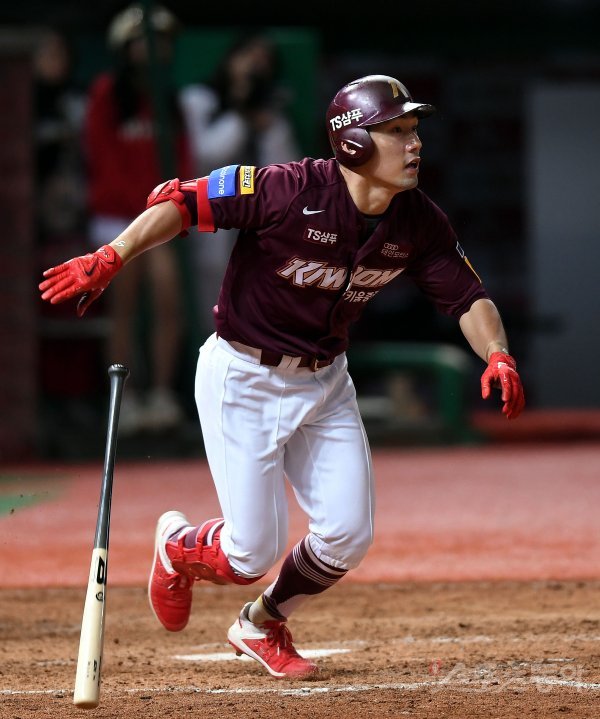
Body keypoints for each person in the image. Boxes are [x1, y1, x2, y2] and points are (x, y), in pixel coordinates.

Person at [39, 74, 525, 679]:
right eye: (397, 131)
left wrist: (497, 354)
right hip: (243, 376)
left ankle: (260, 623)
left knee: (347, 535)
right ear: (352, 142)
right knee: (251, 553)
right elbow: (181, 204)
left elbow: (468, 297)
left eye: (414, 130)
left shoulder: (418, 220)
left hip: (325, 383)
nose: (414, 142)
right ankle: (178, 547)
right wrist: (112, 254)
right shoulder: (288, 188)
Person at [83, 3, 192, 433]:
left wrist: (171, 210)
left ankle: (161, 394)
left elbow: (183, 160)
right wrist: (141, 214)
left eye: (163, 42)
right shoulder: (107, 94)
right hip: (116, 216)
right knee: (123, 306)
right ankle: (123, 401)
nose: (154, 50)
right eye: (146, 42)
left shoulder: (171, 99)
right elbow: (102, 160)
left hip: (160, 215)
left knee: (168, 301)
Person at [180, 32, 302, 335]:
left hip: (256, 220)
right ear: (231, 58)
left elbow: (288, 174)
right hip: (206, 212)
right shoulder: (199, 99)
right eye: (249, 57)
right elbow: (204, 155)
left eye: (264, 62)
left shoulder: (271, 113)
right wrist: (240, 114)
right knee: (211, 295)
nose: (255, 68)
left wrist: (263, 122)